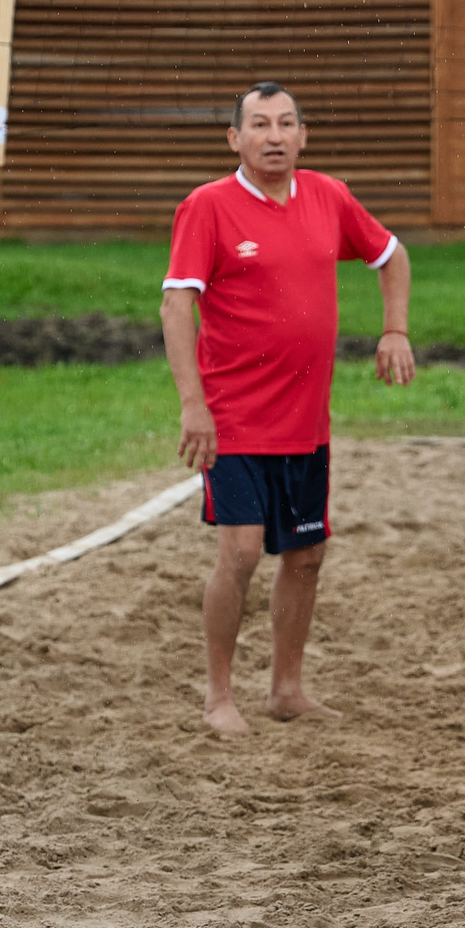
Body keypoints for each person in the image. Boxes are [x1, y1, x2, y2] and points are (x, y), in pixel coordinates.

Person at [162, 82, 416, 736]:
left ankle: (286, 689)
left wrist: (395, 329)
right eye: (258, 125)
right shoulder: (208, 207)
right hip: (234, 418)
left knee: (305, 558)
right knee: (242, 553)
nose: (273, 136)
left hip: (306, 421)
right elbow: (176, 305)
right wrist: (193, 405)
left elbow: (392, 256)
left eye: (285, 124)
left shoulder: (329, 197)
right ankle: (220, 696)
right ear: (235, 139)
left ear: (302, 136)